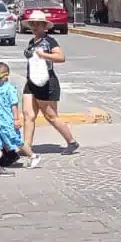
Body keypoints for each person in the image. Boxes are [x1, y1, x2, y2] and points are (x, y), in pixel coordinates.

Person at [21, 9, 78, 157]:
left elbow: (61, 57)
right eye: (33, 24)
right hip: (31, 81)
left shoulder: (50, 41)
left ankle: (71, 141)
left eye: (38, 24)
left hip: (46, 82)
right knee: (28, 114)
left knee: (50, 116)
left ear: (44, 26)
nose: (35, 26)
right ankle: (26, 146)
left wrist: (44, 55)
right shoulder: (32, 41)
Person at [0, 61, 27, 168]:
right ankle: (8, 155)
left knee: (13, 139)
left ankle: (31, 155)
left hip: (7, 120)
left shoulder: (10, 89)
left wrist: (16, 119)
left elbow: (14, 104)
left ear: (6, 76)